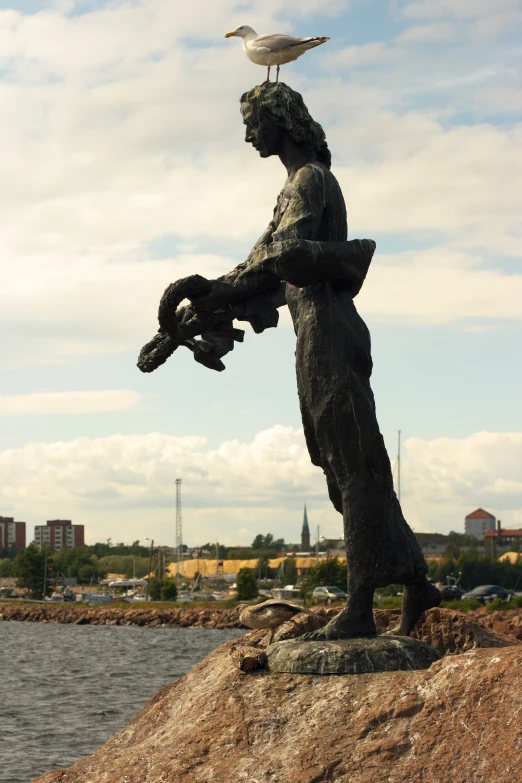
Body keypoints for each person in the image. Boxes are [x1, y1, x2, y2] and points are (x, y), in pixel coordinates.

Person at [155, 82, 441, 638]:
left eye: (253, 122)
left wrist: (218, 289)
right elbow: (263, 263)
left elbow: (280, 257)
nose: (247, 133)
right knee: (347, 466)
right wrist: (214, 294)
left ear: (279, 120)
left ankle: (359, 608)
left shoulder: (310, 182)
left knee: (351, 468)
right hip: (313, 332)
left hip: (329, 331)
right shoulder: (295, 186)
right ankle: (417, 584)